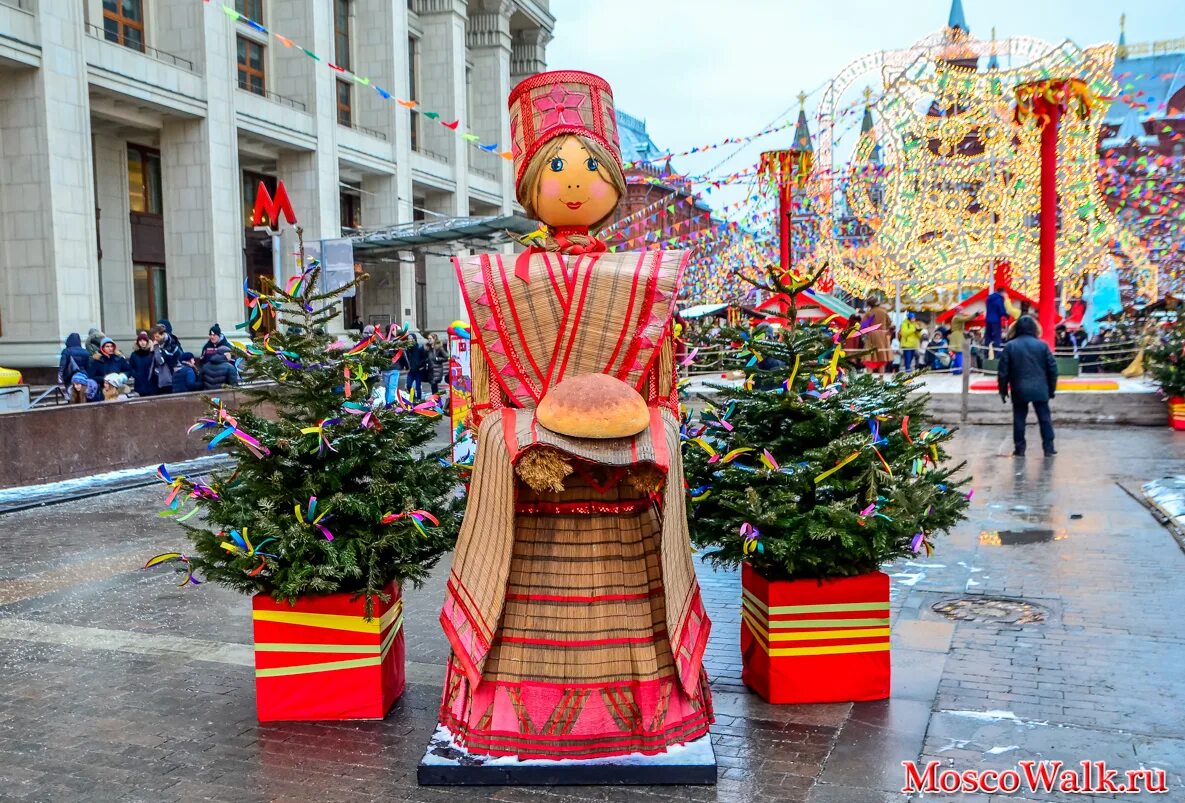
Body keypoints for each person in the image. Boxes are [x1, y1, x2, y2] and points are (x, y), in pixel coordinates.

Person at [435, 70, 711, 761]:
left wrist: (653, 438)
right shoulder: (498, 280)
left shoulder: (644, 280)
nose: (573, 181)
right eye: (556, 164)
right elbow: (484, 406)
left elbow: (664, 394)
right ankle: (509, 723)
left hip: (622, 505)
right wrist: (521, 437)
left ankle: (637, 721)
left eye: (590, 164)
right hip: (529, 502)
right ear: (529, 181)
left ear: (614, 180)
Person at [998, 315, 1058, 457]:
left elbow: (1003, 372)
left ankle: (1020, 449)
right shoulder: (1042, 345)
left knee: (1019, 419)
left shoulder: (1010, 346)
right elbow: (1053, 369)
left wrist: (1003, 390)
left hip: (1019, 388)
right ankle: (1048, 448)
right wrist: (1051, 389)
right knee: (1044, 418)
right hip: (1040, 388)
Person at [861, 293, 893, 374]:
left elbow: (863, 325)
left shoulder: (868, 313)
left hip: (871, 335)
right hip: (882, 336)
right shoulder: (883, 312)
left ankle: (869, 378)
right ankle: (881, 378)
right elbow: (889, 323)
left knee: (869, 357)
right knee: (882, 357)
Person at [149, 323, 179, 393]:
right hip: (157, 379)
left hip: (168, 381)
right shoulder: (159, 344)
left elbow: (160, 361)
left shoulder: (172, 345)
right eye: (154, 337)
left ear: (163, 334)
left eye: (157, 336)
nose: (155, 339)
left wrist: (156, 347)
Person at [127, 331, 157, 397]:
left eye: (144, 340)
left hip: (151, 383)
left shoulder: (152, 353)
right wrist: (136, 374)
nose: (142, 342)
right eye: (140, 340)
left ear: (147, 341)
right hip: (140, 383)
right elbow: (131, 367)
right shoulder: (134, 355)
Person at [985, 288, 1007, 352]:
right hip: (996, 320)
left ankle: (986, 352)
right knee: (997, 337)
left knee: (988, 337)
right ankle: (996, 353)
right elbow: (1001, 310)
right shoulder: (999, 299)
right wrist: (1006, 315)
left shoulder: (988, 298)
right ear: (1002, 292)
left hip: (988, 320)